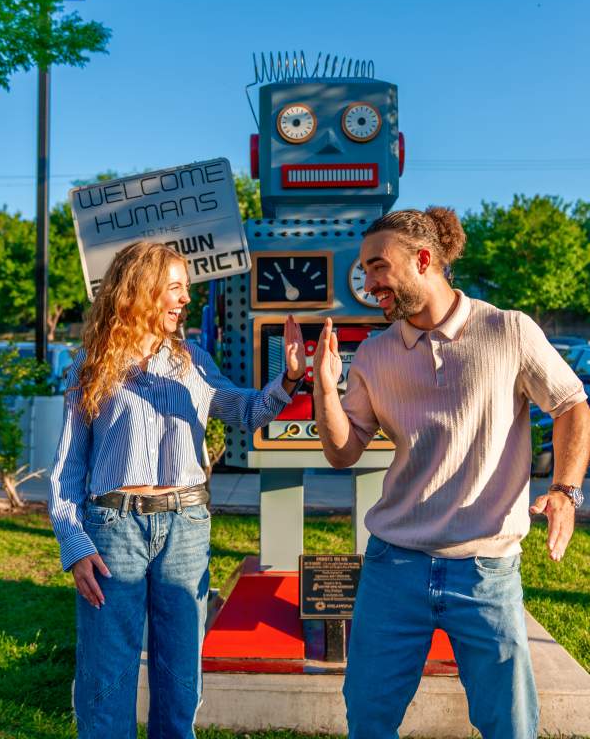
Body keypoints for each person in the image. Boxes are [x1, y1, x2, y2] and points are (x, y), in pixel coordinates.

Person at [313, 207, 590, 739]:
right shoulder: (373, 354)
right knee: (368, 720)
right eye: (365, 270)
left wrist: (564, 490)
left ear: (423, 260)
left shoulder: (508, 330)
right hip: (392, 566)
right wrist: (325, 389)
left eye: (377, 267)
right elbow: (344, 453)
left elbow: (572, 404)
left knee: (509, 725)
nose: (367, 284)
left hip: (485, 570)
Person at [48, 241, 305, 739]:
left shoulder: (194, 362)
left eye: (186, 289)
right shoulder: (91, 365)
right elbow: (66, 471)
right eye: (175, 288)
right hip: (112, 530)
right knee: (107, 671)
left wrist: (290, 378)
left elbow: (247, 412)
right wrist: (74, 545)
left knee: (180, 671)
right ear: (141, 290)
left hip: (186, 528)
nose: (185, 299)